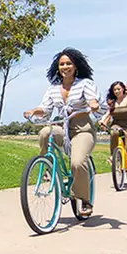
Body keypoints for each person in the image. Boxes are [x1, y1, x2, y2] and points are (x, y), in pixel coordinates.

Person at [23, 48, 101, 220]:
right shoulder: (53, 89)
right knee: (45, 132)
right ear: (57, 67)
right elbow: (45, 109)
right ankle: (46, 167)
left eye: (68, 63)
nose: (65, 67)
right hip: (63, 127)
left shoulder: (85, 84)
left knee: (78, 162)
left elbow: (92, 100)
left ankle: (85, 200)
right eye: (62, 64)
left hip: (82, 129)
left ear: (75, 66)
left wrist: (93, 104)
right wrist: (34, 111)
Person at [99, 80, 127, 183]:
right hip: (117, 124)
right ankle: (113, 155)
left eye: (118, 89)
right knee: (114, 132)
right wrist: (103, 121)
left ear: (123, 90)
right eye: (115, 90)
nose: (117, 91)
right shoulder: (112, 101)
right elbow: (108, 113)